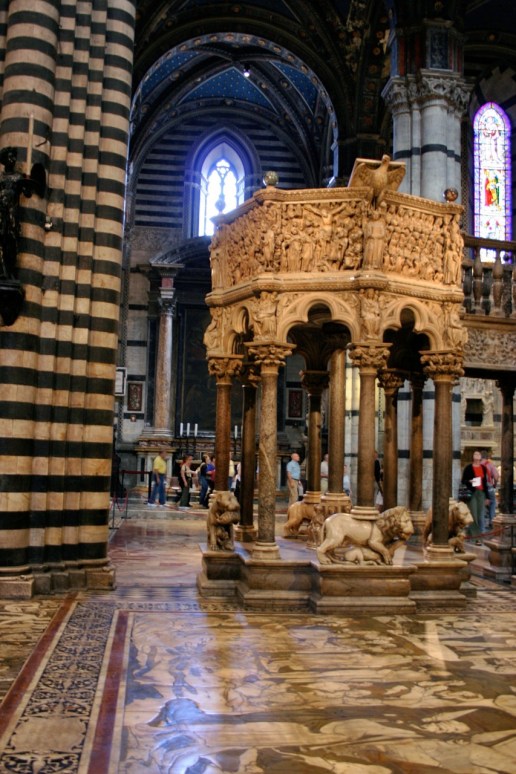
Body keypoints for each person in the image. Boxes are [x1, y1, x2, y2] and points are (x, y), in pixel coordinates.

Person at [461, 449, 489, 543]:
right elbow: (463, 480)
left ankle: (468, 535)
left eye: (478, 454)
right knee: (473, 515)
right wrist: (470, 481)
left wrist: (487, 497)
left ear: (480, 457)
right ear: (473, 457)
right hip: (472, 492)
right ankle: (476, 538)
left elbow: (485, 483)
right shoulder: (468, 467)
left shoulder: (483, 468)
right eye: (475, 454)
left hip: (481, 493)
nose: (477, 455)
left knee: (479, 515)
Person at [481, 450, 499, 528]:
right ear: (487, 457)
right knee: (492, 503)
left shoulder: (476, 465)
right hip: (489, 487)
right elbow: (496, 476)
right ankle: (491, 522)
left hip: (480, 488)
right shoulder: (490, 465)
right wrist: (494, 484)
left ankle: (481, 524)